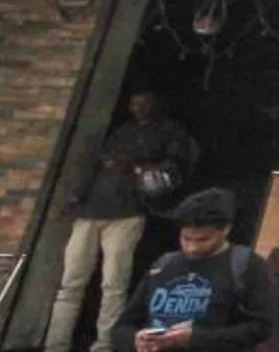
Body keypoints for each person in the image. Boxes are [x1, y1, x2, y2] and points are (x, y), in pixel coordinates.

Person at [49, 88, 199, 352]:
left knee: (113, 285)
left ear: (157, 103)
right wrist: (75, 198)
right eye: (135, 103)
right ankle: (55, 344)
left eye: (145, 102)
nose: (139, 108)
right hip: (91, 211)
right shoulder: (121, 132)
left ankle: (104, 345)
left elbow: (171, 174)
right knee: (70, 282)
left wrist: (136, 169)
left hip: (128, 212)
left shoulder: (168, 132)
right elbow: (94, 167)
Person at [109, 187, 275, 352]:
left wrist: (195, 339)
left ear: (226, 229)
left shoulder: (245, 264)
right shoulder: (164, 264)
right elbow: (123, 327)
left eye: (203, 240)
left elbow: (261, 327)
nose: (192, 247)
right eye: (186, 239)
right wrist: (136, 340)